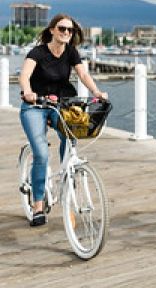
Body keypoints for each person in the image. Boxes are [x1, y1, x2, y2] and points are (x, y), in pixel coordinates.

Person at [19, 13, 108, 227]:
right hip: (36, 105)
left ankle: (66, 178)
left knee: (70, 138)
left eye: (70, 30)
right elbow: (24, 75)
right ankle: (38, 205)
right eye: (62, 28)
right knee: (40, 152)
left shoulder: (71, 52)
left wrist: (97, 91)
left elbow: (83, 75)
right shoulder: (37, 52)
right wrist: (28, 91)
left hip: (61, 104)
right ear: (52, 30)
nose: (66, 33)